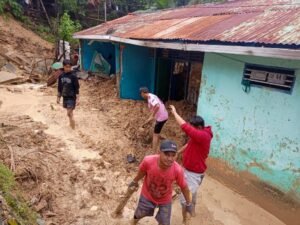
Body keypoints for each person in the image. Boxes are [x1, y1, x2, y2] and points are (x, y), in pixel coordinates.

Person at [129, 140, 193, 225]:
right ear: (159, 152)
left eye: (173, 155)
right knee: (139, 215)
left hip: (165, 199)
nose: (170, 159)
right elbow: (142, 172)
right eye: (166, 154)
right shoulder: (148, 161)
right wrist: (134, 181)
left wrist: (188, 203)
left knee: (164, 222)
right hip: (147, 195)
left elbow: (184, 187)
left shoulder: (177, 170)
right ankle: (133, 223)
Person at [169, 105, 213, 223]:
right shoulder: (199, 135)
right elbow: (189, 144)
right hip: (189, 170)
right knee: (191, 194)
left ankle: (185, 220)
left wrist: (174, 113)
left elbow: (185, 127)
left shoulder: (204, 136)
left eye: (192, 128)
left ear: (198, 127)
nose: (190, 131)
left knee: (184, 200)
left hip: (194, 174)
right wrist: (178, 152)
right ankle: (192, 211)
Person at [140, 87, 168, 152]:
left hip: (161, 118)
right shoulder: (152, 95)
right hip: (163, 115)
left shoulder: (151, 98)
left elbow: (157, 106)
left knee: (155, 135)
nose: (141, 96)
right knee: (155, 127)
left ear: (142, 93)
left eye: (141, 94)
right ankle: (159, 135)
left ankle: (153, 151)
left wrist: (152, 115)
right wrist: (152, 116)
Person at [57, 59, 80, 129]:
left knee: (69, 113)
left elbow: (77, 87)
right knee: (69, 114)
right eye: (67, 67)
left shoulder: (73, 76)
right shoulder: (61, 76)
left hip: (71, 97)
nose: (68, 68)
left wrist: (78, 98)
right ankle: (71, 125)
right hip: (65, 96)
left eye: (70, 67)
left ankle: (73, 128)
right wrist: (58, 97)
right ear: (63, 66)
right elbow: (59, 87)